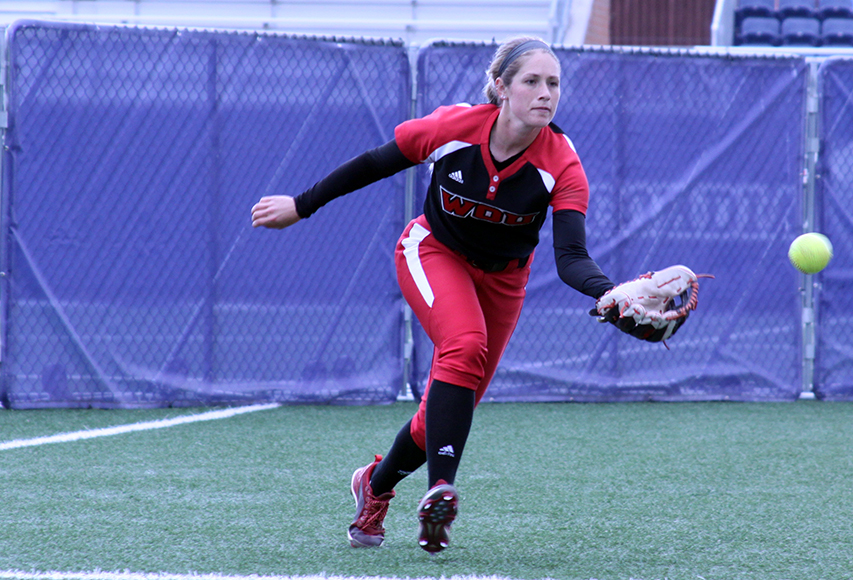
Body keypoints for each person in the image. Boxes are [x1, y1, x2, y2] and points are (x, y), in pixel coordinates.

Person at [250, 36, 615, 553]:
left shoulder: (562, 163)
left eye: (553, 83)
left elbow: (571, 256)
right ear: (501, 87)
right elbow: (374, 162)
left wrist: (611, 293)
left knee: (445, 410)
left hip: (504, 282)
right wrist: (301, 204)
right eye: (532, 81)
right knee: (464, 347)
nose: (545, 93)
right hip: (433, 252)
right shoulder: (455, 128)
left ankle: (374, 486)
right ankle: (440, 490)